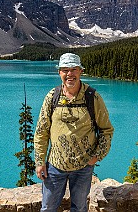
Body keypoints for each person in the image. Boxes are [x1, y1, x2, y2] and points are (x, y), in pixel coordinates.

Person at [34, 53, 114, 212]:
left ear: (80, 72)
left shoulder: (92, 97)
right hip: (55, 166)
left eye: (74, 69)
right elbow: (42, 131)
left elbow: (106, 130)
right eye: (65, 70)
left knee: (79, 208)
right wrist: (39, 161)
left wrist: (97, 156)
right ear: (59, 73)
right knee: (48, 208)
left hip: (83, 167)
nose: (69, 74)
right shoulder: (52, 97)